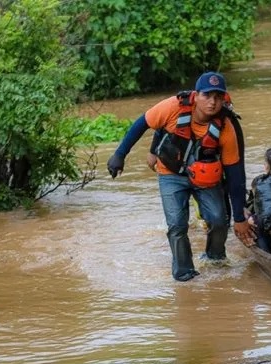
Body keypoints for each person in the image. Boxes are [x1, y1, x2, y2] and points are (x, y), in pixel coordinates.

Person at [106, 72, 255, 282]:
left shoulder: (226, 128)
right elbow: (142, 124)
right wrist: (119, 155)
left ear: (224, 99)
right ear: (196, 95)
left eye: (218, 97)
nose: (212, 102)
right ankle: (184, 274)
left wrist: (239, 218)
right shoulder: (172, 107)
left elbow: (235, 174)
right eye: (207, 95)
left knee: (219, 220)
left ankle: (215, 258)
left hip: (206, 179)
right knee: (177, 224)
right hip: (171, 174)